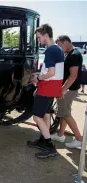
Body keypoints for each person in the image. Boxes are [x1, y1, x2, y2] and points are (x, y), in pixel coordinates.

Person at [27, 24, 64, 159]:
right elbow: (54, 72)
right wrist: (41, 73)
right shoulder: (58, 49)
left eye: (39, 37)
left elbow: (51, 72)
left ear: (46, 34)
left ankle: (49, 145)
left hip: (46, 88)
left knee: (37, 116)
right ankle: (43, 139)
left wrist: (38, 77)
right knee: (46, 114)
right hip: (53, 88)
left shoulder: (50, 51)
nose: (38, 40)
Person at [50, 35, 83, 149]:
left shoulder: (74, 55)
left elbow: (73, 76)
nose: (59, 48)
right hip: (69, 89)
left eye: (59, 45)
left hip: (68, 90)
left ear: (66, 42)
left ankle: (79, 139)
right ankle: (60, 135)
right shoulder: (71, 54)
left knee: (66, 114)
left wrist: (62, 89)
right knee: (64, 112)